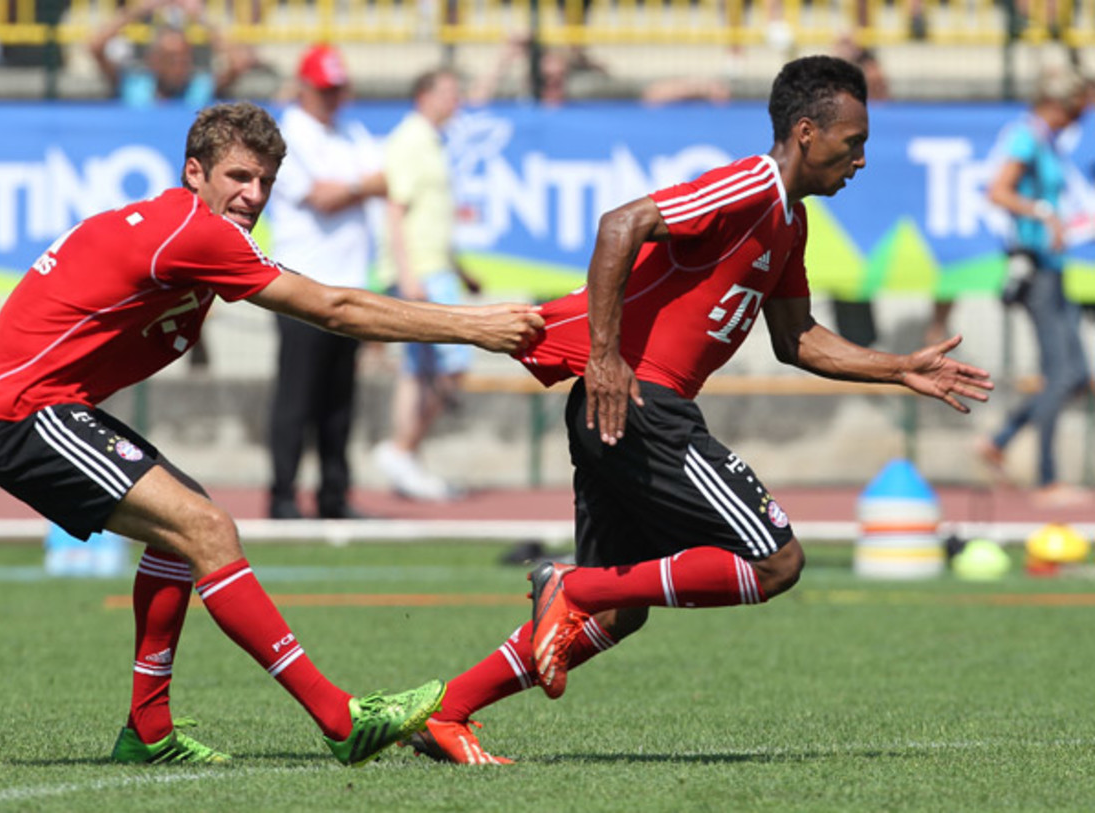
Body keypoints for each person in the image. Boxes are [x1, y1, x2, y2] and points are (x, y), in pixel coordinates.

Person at [400, 56, 993, 765]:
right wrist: (608, 355)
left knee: (619, 612)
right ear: (806, 132)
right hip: (641, 401)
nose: (861, 159)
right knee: (776, 561)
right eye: (853, 142)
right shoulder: (750, 184)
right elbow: (621, 224)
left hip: (619, 406)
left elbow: (796, 338)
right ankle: (570, 582)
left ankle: (450, 710)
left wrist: (900, 367)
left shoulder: (789, 222)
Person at [0, 102, 543, 767]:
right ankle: (339, 716)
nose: (253, 195)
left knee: (185, 525)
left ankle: (147, 731)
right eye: (238, 176)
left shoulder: (185, 229)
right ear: (194, 172)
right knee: (207, 528)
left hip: (36, 406)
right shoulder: (193, 232)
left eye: (264, 181)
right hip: (18, 412)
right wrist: (475, 327)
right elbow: (336, 308)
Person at [265, 44, 385, 520]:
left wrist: (354, 188)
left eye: (337, 89)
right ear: (304, 87)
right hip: (302, 284)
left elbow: (379, 182)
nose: (332, 97)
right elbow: (324, 198)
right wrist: (361, 187)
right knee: (296, 398)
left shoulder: (349, 133)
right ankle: (283, 495)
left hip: (349, 285)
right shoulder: (289, 135)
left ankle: (334, 494)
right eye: (324, 89)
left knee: (339, 403)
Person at [976, 65, 1090, 506]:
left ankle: (1000, 440)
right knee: (1060, 373)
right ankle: (1046, 478)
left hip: (1052, 265)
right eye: (1075, 107)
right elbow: (998, 190)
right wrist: (1043, 212)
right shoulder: (1027, 136)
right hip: (1035, 267)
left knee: (1076, 373)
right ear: (1056, 103)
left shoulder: (1045, 140)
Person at [373, 69, 482, 501]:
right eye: (449, 93)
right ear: (424, 95)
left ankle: (405, 455)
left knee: (419, 369)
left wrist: (459, 269)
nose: (456, 101)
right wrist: (409, 274)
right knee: (452, 365)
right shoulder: (411, 141)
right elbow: (396, 210)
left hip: (434, 267)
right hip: (422, 272)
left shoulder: (431, 141)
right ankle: (402, 449)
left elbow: (426, 216)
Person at [88, 0, 256, 109]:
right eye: (170, 59)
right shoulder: (133, 84)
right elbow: (95, 46)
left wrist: (200, 18)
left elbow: (240, 61)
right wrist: (139, 10)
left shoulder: (200, 87)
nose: (179, 66)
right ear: (153, 60)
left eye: (184, 58)